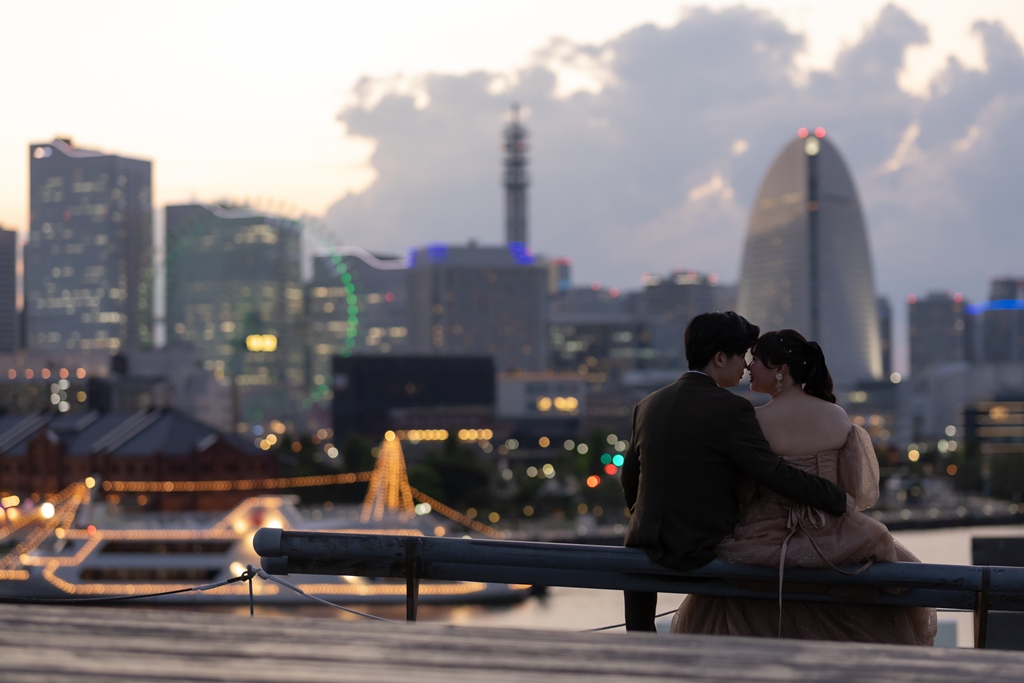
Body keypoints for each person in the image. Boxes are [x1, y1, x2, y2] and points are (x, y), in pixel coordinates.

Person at [671, 329, 936, 644]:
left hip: (764, 535)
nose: (748, 367)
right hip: (835, 533)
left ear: (780, 369)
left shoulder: (753, 420)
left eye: (756, 360)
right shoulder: (837, 417)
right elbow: (854, 489)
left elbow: (742, 493)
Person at [621, 312, 849, 632]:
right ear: (719, 358)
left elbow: (630, 479)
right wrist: (836, 498)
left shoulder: (647, 404)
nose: (745, 365)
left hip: (640, 541)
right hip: (698, 547)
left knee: (640, 640)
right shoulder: (731, 409)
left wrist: (648, 518)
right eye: (741, 355)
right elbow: (772, 473)